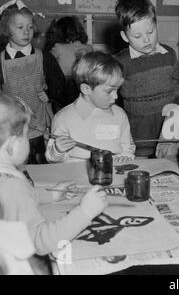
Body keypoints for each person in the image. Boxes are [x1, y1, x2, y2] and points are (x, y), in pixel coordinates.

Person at [0, 93, 108, 257]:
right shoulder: (12, 186)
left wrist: (51, 195)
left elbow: (12, 204)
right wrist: (85, 211)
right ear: (12, 145)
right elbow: (40, 242)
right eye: (26, 135)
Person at [114, 0, 179, 158]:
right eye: (137, 36)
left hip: (170, 135)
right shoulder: (120, 62)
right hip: (138, 136)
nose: (146, 40)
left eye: (151, 32)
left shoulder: (169, 54)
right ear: (125, 37)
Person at [0, 0, 67, 164]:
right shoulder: (0, 61)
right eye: (20, 27)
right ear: (7, 30)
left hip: (39, 122)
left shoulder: (43, 56)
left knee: (40, 162)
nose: (26, 32)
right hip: (12, 125)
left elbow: (59, 82)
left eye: (30, 27)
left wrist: (50, 94)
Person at [45, 51, 135, 163]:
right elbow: (52, 159)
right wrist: (57, 150)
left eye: (117, 89)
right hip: (75, 175)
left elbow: (127, 146)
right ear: (86, 89)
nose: (116, 96)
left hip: (111, 172)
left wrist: (126, 156)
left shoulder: (119, 114)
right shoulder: (63, 118)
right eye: (109, 91)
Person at [45, 16, 93, 108]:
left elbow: (46, 62)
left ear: (58, 32)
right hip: (83, 86)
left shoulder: (58, 47)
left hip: (62, 88)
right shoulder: (89, 48)